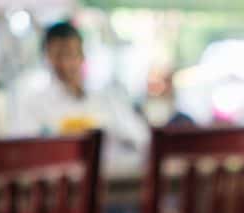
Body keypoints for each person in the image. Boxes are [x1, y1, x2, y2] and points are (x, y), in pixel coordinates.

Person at [8, 21, 149, 177]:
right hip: (57, 189)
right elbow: (22, 153)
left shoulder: (106, 100)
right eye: (57, 55)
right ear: (46, 58)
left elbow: (141, 138)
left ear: (82, 56)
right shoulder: (34, 103)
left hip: (111, 184)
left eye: (70, 53)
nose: (65, 63)